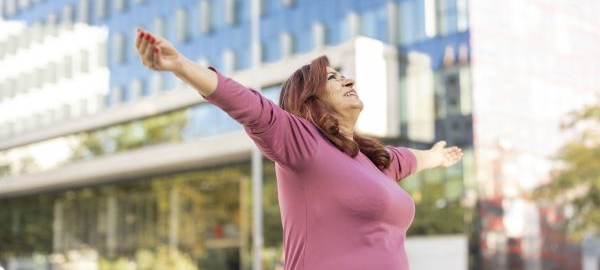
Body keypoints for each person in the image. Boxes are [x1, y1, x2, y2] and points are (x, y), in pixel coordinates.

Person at [134, 28, 463, 269]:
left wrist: (436, 157)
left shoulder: (376, 162)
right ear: (310, 102)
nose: (349, 81)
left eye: (344, 75)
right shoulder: (303, 144)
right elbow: (249, 106)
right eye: (333, 78)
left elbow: (408, 159)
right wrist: (180, 66)